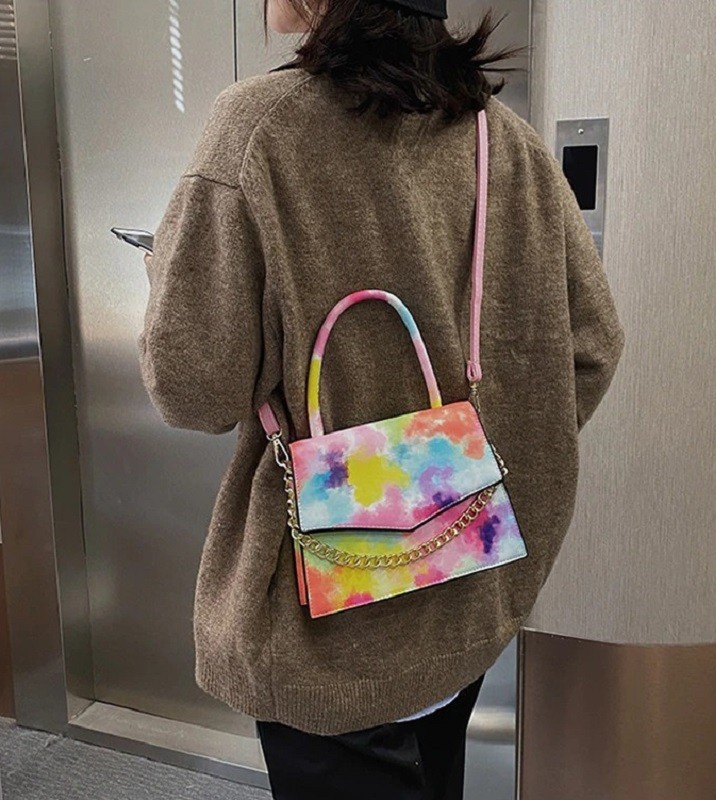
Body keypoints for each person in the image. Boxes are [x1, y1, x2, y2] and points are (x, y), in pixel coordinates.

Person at [139, 0, 624, 797]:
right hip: (463, 589)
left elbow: (195, 390)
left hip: (327, 630)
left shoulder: (258, 129)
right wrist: (459, 464)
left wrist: (170, 272)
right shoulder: (501, 138)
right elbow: (591, 346)